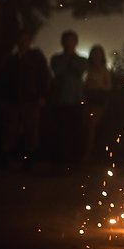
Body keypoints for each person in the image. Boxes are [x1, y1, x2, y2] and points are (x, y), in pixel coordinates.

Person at [0, 30, 50, 167]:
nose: (23, 42)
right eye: (21, 39)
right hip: (14, 99)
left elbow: (44, 77)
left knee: (31, 130)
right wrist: (4, 98)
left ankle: (29, 159)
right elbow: (4, 80)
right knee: (10, 129)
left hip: (31, 99)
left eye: (26, 39)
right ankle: (5, 157)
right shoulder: (11, 60)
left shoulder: (36, 58)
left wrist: (42, 95)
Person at [48, 30, 88, 166]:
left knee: (75, 130)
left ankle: (73, 159)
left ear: (76, 43)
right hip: (59, 100)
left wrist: (68, 65)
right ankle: (60, 160)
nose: (68, 43)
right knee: (60, 131)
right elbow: (57, 70)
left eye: (71, 40)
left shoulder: (82, 60)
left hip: (76, 100)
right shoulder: (56, 58)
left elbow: (79, 70)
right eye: (66, 40)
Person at [83, 44, 112, 163]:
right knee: (87, 126)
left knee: (92, 126)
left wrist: (97, 86)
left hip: (99, 101)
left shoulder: (104, 70)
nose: (96, 57)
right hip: (88, 100)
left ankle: (90, 153)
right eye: (94, 54)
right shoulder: (87, 69)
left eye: (98, 54)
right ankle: (88, 152)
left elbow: (108, 86)